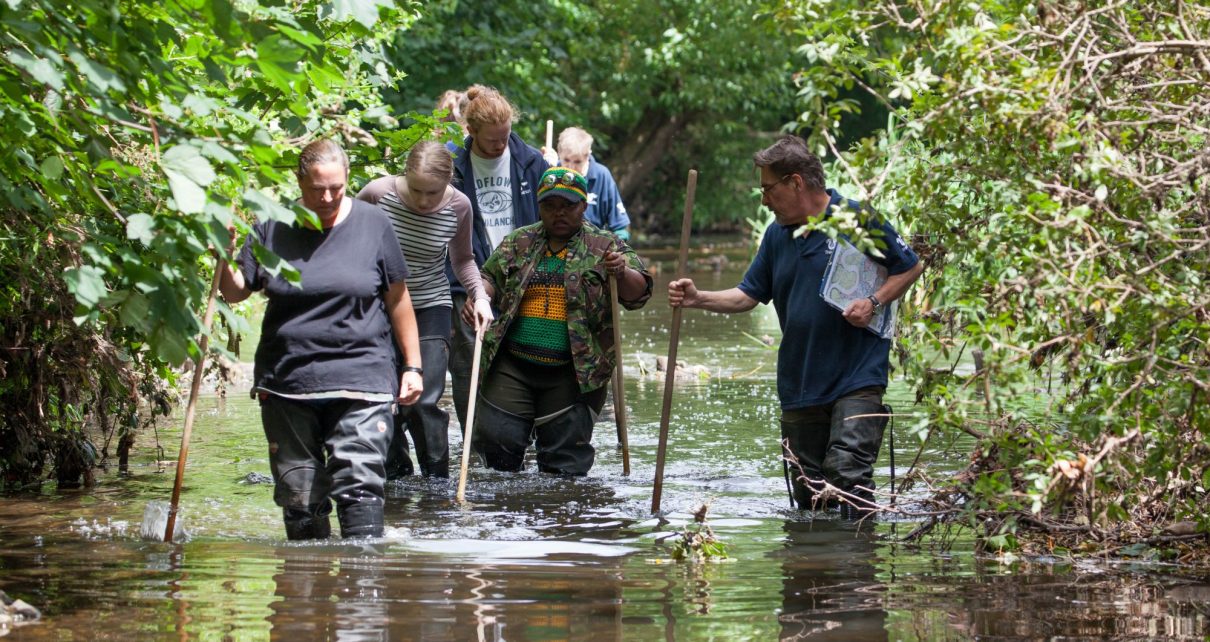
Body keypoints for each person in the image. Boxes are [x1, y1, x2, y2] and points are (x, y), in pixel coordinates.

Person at [668, 135, 923, 516]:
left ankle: (860, 570)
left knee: (848, 476)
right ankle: (811, 569)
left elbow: (911, 265)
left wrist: (874, 302)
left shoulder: (856, 220)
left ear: (796, 182)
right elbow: (747, 295)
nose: (764, 200)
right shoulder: (776, 236)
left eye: (768, 189)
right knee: (809, 495)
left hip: (857, 377)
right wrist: (697, 298)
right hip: (800, 382)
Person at [219, 139, 423, 540]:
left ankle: (362, 589)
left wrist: (413, 366)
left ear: (348, 180)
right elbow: (236, 291)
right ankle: (305, 595)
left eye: (337, 188)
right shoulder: (271, 227)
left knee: (359, 486)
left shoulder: (373, 224)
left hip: (363, 378)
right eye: (317, 189)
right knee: (299, 494)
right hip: (289, 382)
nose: (327, 197)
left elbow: (398, 299)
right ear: (299, 182)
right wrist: (223, 256)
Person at [467, 167, 652, 475]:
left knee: (563, 466)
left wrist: (621, 273)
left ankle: (561, 518)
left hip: (575, 372)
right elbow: (488, 278)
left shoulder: (605, 247)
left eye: (568, 206)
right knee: (498, 449)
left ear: (584, 206)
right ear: (539, 207)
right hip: (513, 365)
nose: (559, 214)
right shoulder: (519, 242)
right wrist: (479, 298)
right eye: (550, 206)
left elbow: (639, 294)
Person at [357, 140, 494, 479]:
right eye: (416, 190)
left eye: (432, 193)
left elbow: (462, 260)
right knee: (383, 399)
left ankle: (436, 479)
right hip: (379, 306)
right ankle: (397, 476)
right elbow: (346, 234)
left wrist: (480, 297)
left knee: (422, 399)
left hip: (431, 303)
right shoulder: (377, 194)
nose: (422, 201)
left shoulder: (459, 206)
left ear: (448, 183)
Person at [448, 85, 550, 434]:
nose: (500, 145)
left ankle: (524, 447)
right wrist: (471, 289)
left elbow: (553, 221)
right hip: (467, 280)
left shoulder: (532, 163)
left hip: (526, 284)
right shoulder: (452, 167)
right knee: (468, 369)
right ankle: (474, 448)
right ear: (471, 131)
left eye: (505, 136)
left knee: (527, 363)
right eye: (492, 139)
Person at [555, 127, 631, 240]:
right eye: (566, 160)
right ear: (559, 153)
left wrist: (611, 246)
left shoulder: (602, 175)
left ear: (588, 156)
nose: (571, 168)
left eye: (577, 162)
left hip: (592, 247)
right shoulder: (551, 173)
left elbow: (621, 228)